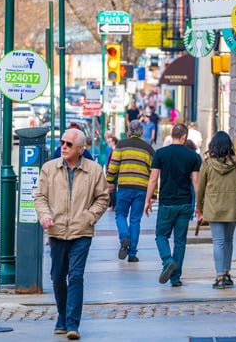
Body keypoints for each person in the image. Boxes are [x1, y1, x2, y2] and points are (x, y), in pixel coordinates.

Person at [34, 128, 109, 339]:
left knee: (75, 276)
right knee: (57, 277)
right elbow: (40, 197)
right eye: (62, 143)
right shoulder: (49, 168)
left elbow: (103, 198)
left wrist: (89, 217)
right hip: (56, 231)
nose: (63, 147)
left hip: (82, 232)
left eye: (68, 144)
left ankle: (72, 323)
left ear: (80, 149)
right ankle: (62, 315)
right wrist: (45, 215)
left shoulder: (94, 170)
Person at [144, 123, 202, 287]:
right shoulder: (193, 157)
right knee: (180, 241)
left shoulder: (161, 154)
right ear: (185, 136)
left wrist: (148, 200)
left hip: (167, 202)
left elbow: (153, 178)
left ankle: (167, 260)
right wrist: (199, 205)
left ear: (172, 134)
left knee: (161, 235)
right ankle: (175, 278)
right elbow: (195, 181)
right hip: (185, 203)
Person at [195, 131, 236, 290]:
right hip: (231, 207)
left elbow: (200, 188)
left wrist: (199, 208)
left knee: (218, 242)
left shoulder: (207, 164)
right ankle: (226, 272)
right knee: (228, 241)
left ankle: (219, 276)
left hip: (214, 208)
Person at [106, 120, 156, 262]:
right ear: (142, 132)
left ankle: (124, 237)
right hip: (141, 189)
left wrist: (109, 180)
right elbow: (154, 173)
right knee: (135, 220)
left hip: (125, 187)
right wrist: (154, 193)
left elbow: (113, 166)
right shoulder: (148, 148)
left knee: (120, 214)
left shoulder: (121, 145)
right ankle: (132, 254)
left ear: (129, 131)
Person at [106, 135, 119, 211]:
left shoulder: (115, 151)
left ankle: (114, 206)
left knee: (113, 190)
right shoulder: (113, 150)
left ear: (114, 142)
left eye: (109, 142)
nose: (108, 143)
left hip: (114, 173)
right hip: (113, 172)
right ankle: (113, 205)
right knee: (113, 190)